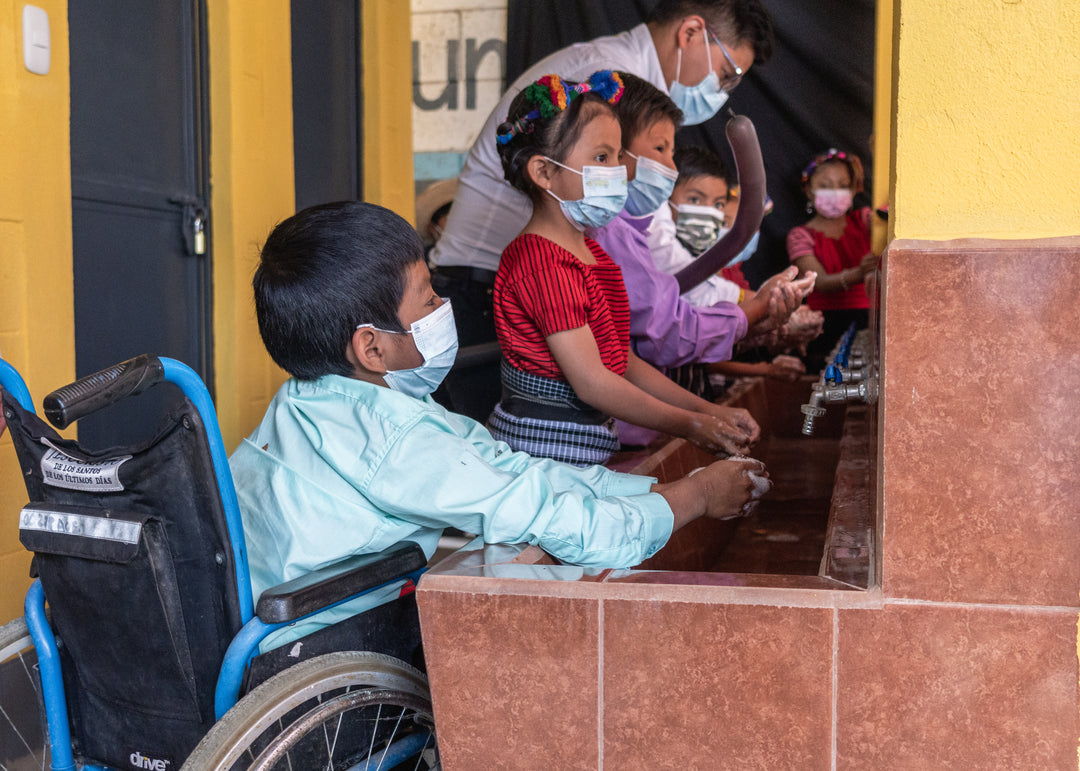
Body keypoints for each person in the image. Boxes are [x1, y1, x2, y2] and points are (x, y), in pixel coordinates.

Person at [229, 200, 769, 646]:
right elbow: (573, 527)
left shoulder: (308, 404)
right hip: (321, 648)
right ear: (371, 347)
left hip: (257, 633)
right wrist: (695, 500)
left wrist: (655, 487)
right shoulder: (398, 441)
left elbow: (515, 470)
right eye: (428, 299)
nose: (445, 307)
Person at [429, 0, 775, 415]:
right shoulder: (605, 85)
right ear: (690, 33)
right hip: (481, 293)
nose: (724, 94)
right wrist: (744, 307)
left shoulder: (597, 253)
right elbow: (654, 262)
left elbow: (627, 331)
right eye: (727, 76)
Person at [488, 71, 759, 467]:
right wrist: (690, 424)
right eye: (601, 158)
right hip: (541, 465)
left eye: (618, 156)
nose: (621, 170)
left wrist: (708, 412)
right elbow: (593, 382)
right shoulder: (541, 264)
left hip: (582, 454)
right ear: (543, 172)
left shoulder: (592, 252)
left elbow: (619, 361)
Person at [786, 148, 877, 365]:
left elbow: (890, 223)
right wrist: (860, 272)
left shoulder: (866, 220)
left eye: (843, 185)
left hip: (873, 320)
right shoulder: (800, 236)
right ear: (808, 190)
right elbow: (820, 282)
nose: (835, 192)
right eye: (825, 186)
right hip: (824, 328)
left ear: (855, 189)